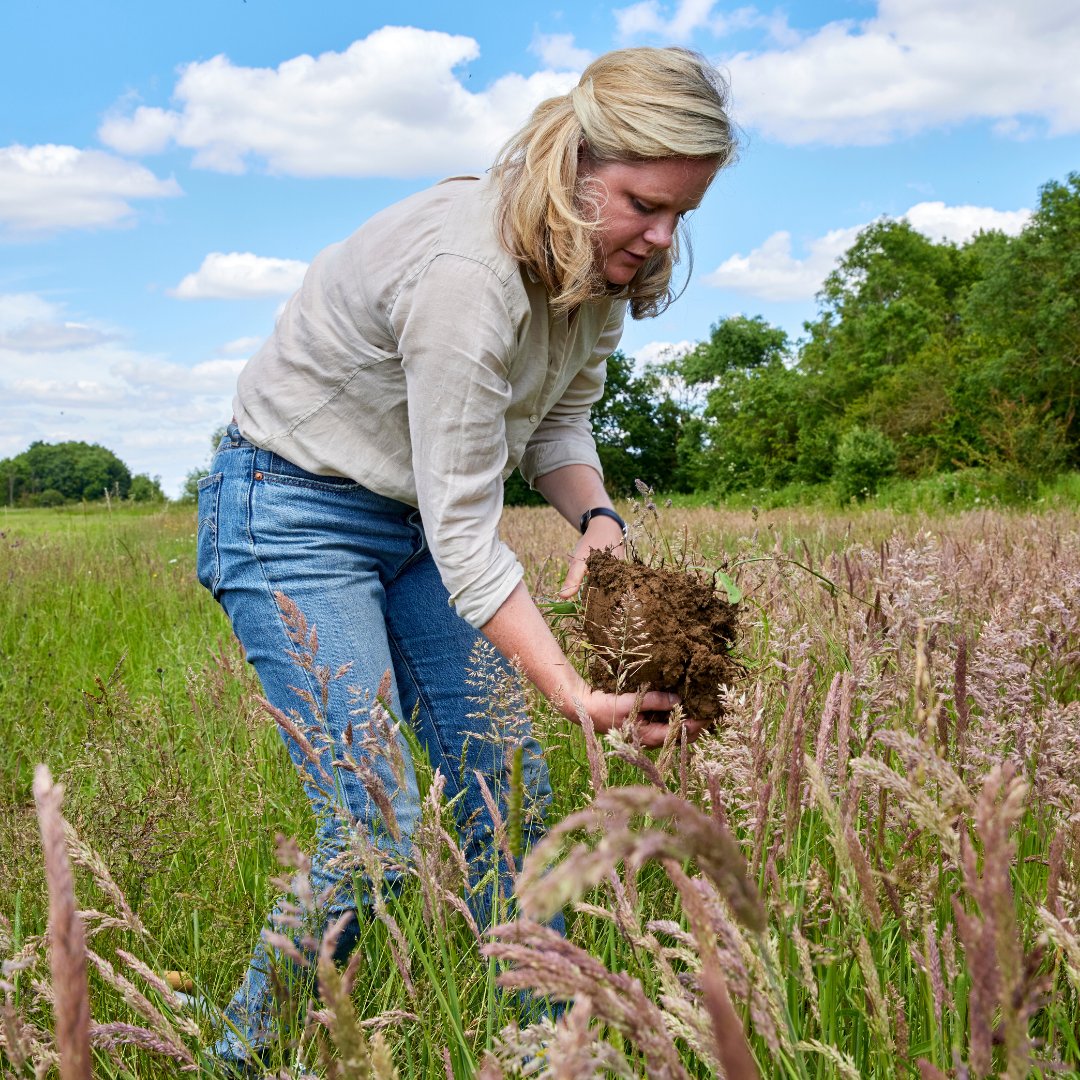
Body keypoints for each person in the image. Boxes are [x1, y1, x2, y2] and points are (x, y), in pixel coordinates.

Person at [196, 45, 736, 1071]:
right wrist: (572, 691)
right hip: (292, 509)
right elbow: (466, 536)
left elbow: (559, 422)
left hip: (409, 523)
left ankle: (546, 1051)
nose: (662, 237)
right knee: (377, 828)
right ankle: (239, 1056)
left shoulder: (599, 267)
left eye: (682, 212)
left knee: (508, 791)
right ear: (573, 166)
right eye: (643, 204)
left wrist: (600, 522)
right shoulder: (468, 276)